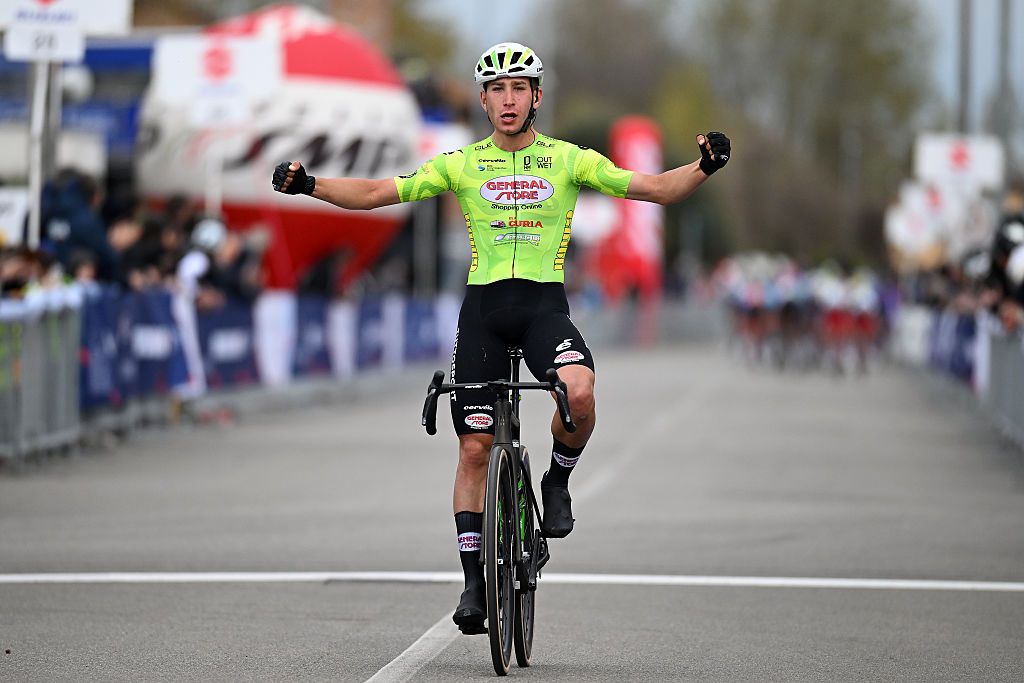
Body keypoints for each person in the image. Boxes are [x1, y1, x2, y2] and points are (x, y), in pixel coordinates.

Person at [272, 42, 730, 634]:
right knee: (472, 449)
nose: (508, 100)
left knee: (580, 393)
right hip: (484, 310)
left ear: (536, 97)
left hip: (543, 307)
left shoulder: (568, 159)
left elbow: (653, 190)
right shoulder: (461, 164)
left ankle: (557, 479)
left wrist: (703, 168)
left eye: (519, 89)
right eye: (497, 91)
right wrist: (310, 185)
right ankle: (471, 583)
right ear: (484, 100)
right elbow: (376, 194)